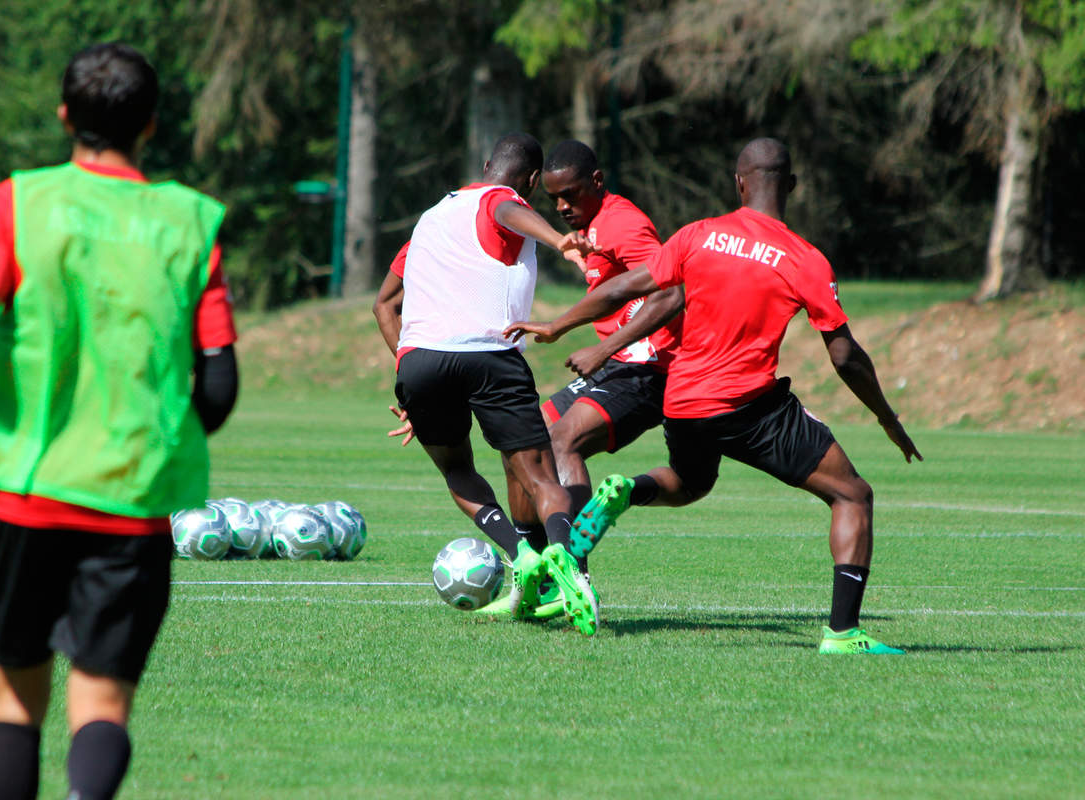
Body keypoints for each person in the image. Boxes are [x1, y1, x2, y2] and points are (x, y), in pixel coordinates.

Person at [0, 43, 238, 799]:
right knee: (101, 705)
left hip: (21, 496)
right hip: (131, 508)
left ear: (66, 115)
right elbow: (220, 388)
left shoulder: (14, 202)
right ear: (151, 125)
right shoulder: (189, 221)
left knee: (15, 702)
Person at [505, 137, 922, 654]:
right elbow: (845, 357)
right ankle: (843, 633)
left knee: (690, 481)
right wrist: (886, 417)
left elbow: (624, 288)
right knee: (852, 494)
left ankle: (629, 490)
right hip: (750, 408)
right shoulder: (806, 259)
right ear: (790, 185)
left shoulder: (698, 234)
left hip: (681, 400)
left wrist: (558, 326)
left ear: (739, 183)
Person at [377, 133, 603, 635]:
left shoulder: (432, 219)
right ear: (528, 181)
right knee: (542, 477)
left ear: (484, 165)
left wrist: (407, 378)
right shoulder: (504, 199)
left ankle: (519, 554)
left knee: (458, 471)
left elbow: (384, 305)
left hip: (420, 362)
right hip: (488, 355)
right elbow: (506, 211)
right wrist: (558, 239)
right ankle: (563, 559)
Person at [504, 139, 683, 580]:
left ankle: (572, 570)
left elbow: (671, 293)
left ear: (597, 182)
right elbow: (609, 292)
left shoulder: (623, 224)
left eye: (572, 194)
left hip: (648, 366)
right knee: (524, 440)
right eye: (555, 198)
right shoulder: (591, 227)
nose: (563, 206)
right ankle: (530, 565)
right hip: (618, 364)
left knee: (563, 441)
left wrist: (601, 346)